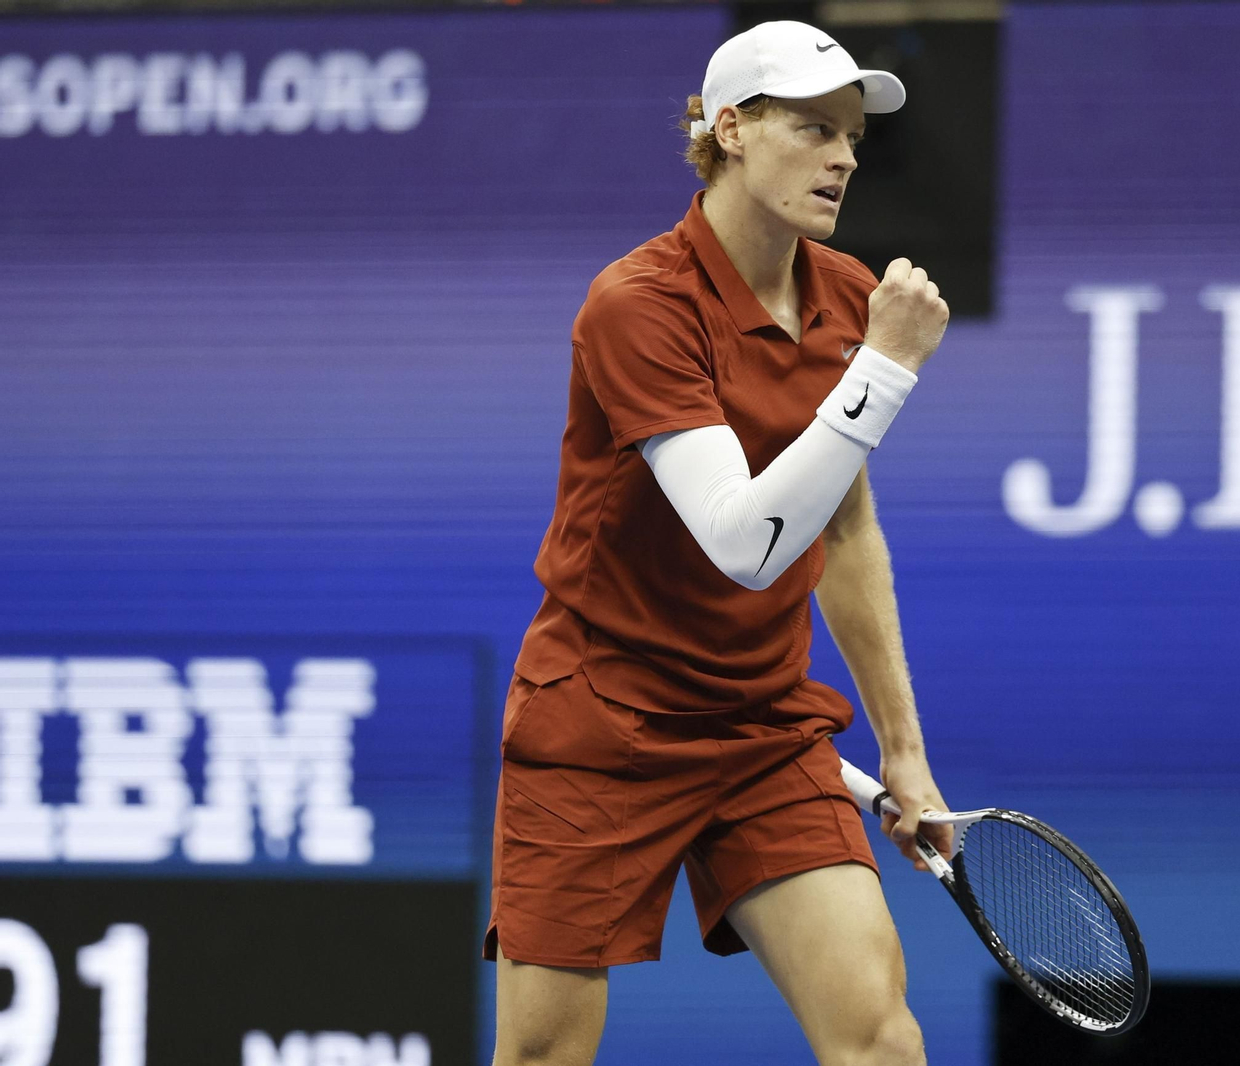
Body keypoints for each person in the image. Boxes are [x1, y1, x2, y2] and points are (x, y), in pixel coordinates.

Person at [486, 20, 952, 1066]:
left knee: (880, 1039)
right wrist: (885, 370)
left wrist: (903, 751)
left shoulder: (844, 297)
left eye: (851, 136)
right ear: (731, 129)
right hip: (601, 721)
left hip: (762, 727)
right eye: (812, 127)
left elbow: (842, 524)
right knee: (542, 1055)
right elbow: (743, 543)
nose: (841, 155)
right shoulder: (637, 303)